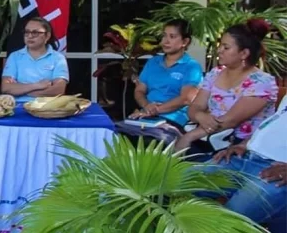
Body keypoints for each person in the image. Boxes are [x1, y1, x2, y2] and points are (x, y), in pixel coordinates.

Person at [175, 19, 278, 152]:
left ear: (244, 54)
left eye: (226, 47)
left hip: (242, 146)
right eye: (220, 45)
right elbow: (195, 107)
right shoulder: (215, 73)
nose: (219, 50)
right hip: (208, 136)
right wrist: (200, 116)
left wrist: (189, 137)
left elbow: (229, 122)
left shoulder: (261, 82)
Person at [206, 95, 287, 232]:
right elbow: (275, 124)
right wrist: (243, 144)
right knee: (176, 182)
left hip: (276, 172)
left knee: (225, 222)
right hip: (245, 157)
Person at [116, 19, 204, 142]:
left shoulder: (191, 67)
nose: (165, 41)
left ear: (185, 41)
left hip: (172, 120)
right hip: (146, 116)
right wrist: (147, 106)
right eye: (164, 36)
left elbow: (186, 98)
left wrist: (155, 110)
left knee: (148, 141)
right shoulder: (153, 62)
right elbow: (140, 90)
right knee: (115, 135)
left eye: (172, 37)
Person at [1, 17, 68, 97]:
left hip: (46, 107)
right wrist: (37, 85)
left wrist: (22, 90)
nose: (30, 36)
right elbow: (6, 87)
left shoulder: (58, 58)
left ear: (47, 36)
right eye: (27, 32)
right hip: (18, 106)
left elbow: (58, 90)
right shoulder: (15, 56)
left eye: (35, 32)